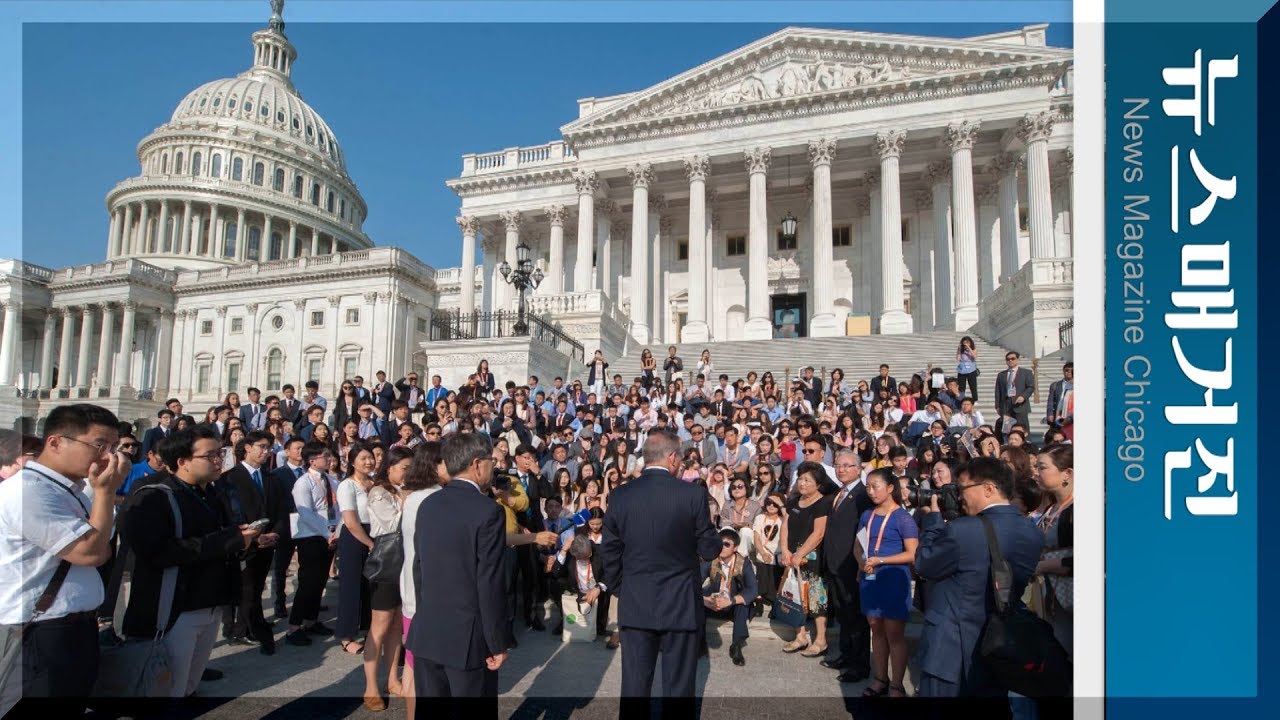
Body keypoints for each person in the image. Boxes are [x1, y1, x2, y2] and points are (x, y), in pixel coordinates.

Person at [0, 404, 129, 717]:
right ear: (56, 442)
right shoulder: (28, 492)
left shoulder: (69, 488)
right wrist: (106, 493)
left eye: (114, 447)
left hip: (70, 629)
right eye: (99, 445)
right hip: (38, 632)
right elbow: (92, 552)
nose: (108, 456)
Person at [118, 425, 262, 699]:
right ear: (182, 461)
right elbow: (157, 552)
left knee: (187, 685)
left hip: (210, 602)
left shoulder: (211, 492)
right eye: (211, 456)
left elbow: (221, 537)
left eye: (220, 453)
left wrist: (244, 539)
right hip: (175, 609)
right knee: (164, 687)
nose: (219, 461)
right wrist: (229, 540)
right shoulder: (152, 494)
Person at [599, 429, 720, 714]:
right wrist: (712, 528)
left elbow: (610, 551)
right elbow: (710, 550)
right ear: (674, 458)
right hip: (680, 602)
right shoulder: (693, 495)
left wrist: (621, 588)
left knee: (634, 686)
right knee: (679, 687)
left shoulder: (620, 496)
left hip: (636, 600)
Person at [914, 456, 1045, 697]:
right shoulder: (1032, 532)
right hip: (999, 647)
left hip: (950, 649)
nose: (958, 495)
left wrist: (933, 521)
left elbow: (925, 564)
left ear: (988, 488)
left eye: (962, 488)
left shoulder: (963, 530)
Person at [406, 431, 510, 714]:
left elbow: (419, 569)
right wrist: (497, 641)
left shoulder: (428, 504)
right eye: (492, 460)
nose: (495, 466)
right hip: (469, 638)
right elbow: (490, 583)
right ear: (478, 464)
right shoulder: (487, 511)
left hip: (428, 630)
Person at [218, 431, 288, 655]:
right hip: (243, 544)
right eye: (262, 446)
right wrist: (252, 536)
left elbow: (280, 511)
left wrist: (275, 533)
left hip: (267, 544)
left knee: (256, 589)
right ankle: (253, 632)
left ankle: (245, 628)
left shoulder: (271, 478)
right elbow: (228, 514)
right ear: (247, 447)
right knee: (246, 590)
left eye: (269, 447)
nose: (266, 451)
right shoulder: (229, 478)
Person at [853, 469, 919, 698]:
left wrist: (881, 560)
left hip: (892, 580)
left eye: (876, 486)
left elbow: (912, 554)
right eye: (868, 486)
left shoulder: (903, 518)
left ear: (891, 488)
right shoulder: (867, 515)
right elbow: (858, 546)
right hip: (870, 580)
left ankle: (897, 685)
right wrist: (862, 563)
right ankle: (881, 677)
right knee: (876, 629)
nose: (871, 491)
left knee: (894, 634)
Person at [361, 445, 413, 712]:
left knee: (396, 627)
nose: (408, 473)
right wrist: (407, 499)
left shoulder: (403, 491)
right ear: (390, 467)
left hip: (405, 563)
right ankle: (370, 685)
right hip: (387, 563)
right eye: (404, 468)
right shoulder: (378, 492)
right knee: (379, 626)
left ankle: (392, 678)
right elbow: (394, 524)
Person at [399, 442, 446, 720]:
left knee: (413, 667)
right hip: (427, 596)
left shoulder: (414, 496)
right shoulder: (435, 498)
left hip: (412, 593)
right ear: (434, 465)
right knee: (421, 674)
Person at [821, 448, 874, 682]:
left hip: (852, 566)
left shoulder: (863, 495)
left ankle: (859, 665)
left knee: (856, 618)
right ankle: (845, 654)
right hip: (835, 564)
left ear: (859, 468)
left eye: (847, 466)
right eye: (838, 466)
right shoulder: (839, 493)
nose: (841, 470)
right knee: (843, 615)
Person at [286, 442, 340, 646]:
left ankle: (311, 620)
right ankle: (294, 627)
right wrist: (326, 531)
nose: (328, 459)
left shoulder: (331, 480)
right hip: (312, 536)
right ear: (312, 460)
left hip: (330, 534)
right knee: (308, 582)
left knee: (319, 580)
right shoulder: (304, 482)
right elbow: (306, 512)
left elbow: (339, 506)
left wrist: (336, 531)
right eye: (324, 456)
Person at [778, 461, 833, 658]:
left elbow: (819, 533)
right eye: (800, 478)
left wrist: (800, 554)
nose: (802, 483)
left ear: (818, 484)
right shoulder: (792, 501)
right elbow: (785, 526)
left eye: (808, 480)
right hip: (791, 557)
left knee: (817, 599)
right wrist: (785, 550)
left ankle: (821, 640)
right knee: (795, 596)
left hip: (812, 558)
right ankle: (800, 636)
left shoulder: (824, 502)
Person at [1033, 444, 1074, 658]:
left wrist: (1043, 565)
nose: (1036, 473)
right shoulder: (1052, 507)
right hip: (1054, 599)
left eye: (1042, 468)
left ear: (1067, 473)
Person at [336, 444, 377, 654]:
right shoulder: (347, 486)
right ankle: (346, 635)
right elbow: (350, 521)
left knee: (370, 586)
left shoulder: (374, 483)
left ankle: (369, 627)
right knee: (351, 586)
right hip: (354, 537)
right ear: (352, 462)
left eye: (370, 457)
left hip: (374, 533)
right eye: (363, 458)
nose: (368, 462)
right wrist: (369, 544)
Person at [699, 528, 758, 667]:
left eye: (727, 544)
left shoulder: (744, 563)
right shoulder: (711, 559)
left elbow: (753, 589)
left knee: (742, 605)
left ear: (735, 547)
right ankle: (699, 643)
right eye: (720, 543)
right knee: (696, 603)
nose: (722, 547)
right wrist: (705, 601)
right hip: (713, 602)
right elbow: (694, 583)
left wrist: (730, 601)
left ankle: (736, 646)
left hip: (732, 604)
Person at [994, 352, 1035, 442]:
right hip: (1006, 406)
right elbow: (998, 391)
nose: (1010, 361)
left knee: (1023, 429)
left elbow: (1031, 387)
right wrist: (997, 406)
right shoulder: (1002, 375)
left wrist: (1023, 397)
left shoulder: (1026, 373)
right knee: (1007, 430)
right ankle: (1008, 445)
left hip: (1020, 405)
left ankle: (1026, 445)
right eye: (1008, 359)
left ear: (1018, 359)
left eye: (1013, 358)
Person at [955, 336, 980, 402]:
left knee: (973, 386)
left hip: (971, 370)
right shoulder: (961, 351)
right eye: (964, 342)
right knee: (961, 387)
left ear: (970, 343)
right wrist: (959, 350)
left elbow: (974, 356)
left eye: (967, 342)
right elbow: (957, 358)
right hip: (962, 370)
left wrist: (968, 348)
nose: (966, 344)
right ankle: (961, 399)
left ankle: (975, 399)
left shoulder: (973, 349)